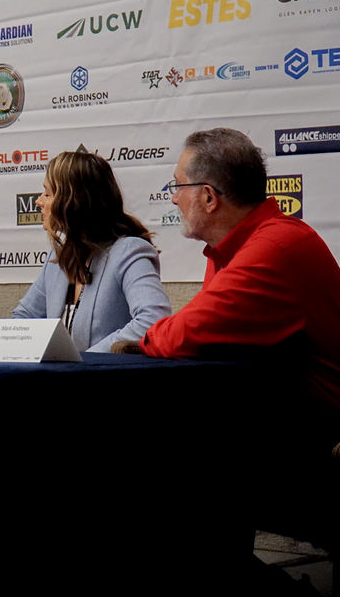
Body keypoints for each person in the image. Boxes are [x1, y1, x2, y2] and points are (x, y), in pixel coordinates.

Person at [118, 127, 340, 595]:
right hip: (289, 427)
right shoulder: (234, 249)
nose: (173, 199)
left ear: (209, 197)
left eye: (176, 187)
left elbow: (180, 334)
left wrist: (140, 341)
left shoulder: (272, 249)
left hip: (325, 441)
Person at [12, 151, 171, 352]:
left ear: (73, 201)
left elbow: (154, 320)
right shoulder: (58, 259)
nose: (38, 202)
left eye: (47, 193)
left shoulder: (129, 252)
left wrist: (89, 360)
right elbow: (23, 319)